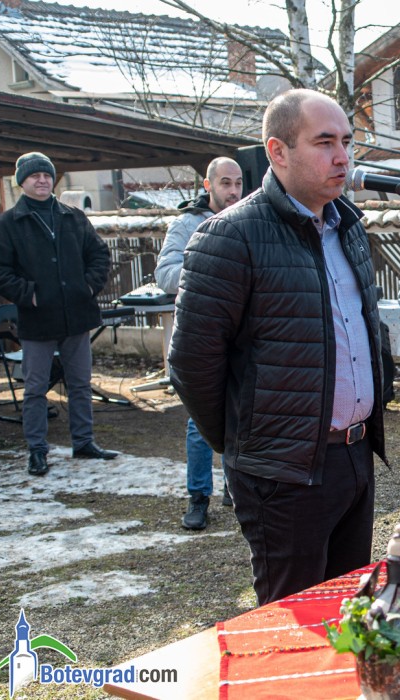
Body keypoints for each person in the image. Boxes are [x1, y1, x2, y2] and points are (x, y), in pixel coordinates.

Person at [168, 89, 386, 606]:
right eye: (325, 142)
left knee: (349, 614)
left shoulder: (348, 227)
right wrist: (247, 442)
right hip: (282, 474)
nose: (342, 157)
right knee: (294, 623)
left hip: (354, 457)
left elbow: (363, 328)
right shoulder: (230, 236)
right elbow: (192, 363)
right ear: (278, 151)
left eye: (348, 142)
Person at [0, 151, 117, 476]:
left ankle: (83, 442)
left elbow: (99, 255)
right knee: (35, 388)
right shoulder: (8, 223)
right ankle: (37, 450)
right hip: (37, 319)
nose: (42, 180)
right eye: (35, 176)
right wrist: (28, 294)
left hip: (77, 315)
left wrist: (88, 286)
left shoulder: (72, 216)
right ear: (22, 182)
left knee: (80, 383)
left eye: (46, 175)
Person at [155, 157, 243, 530]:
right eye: (225, 183)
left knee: (241, 414)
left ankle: (234, 487)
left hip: (241, 336)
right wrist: (213, 273)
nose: (233, 191)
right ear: (208, 185)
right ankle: (198, 496)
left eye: (238, 183)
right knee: (200, 421)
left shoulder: (247, 220)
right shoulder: (186, 224)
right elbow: (165, 274)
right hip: (201, 338)